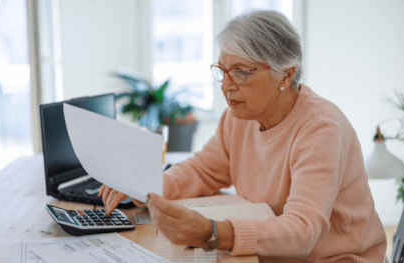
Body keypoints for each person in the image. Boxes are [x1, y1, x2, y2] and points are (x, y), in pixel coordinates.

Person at [99, 10, 387, 262]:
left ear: (285, 75)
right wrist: (147, 185)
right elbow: (204, 170)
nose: (226, 86)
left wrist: (212, 231)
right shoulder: (240, 116)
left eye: (240, 72)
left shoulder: (321, 129)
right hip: (269, 255)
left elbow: (303, 230)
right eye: (222, 71)